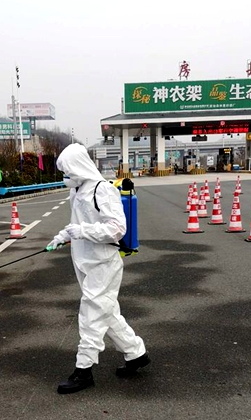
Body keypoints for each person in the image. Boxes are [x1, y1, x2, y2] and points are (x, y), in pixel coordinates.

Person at [47, 144, 149, 395]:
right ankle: (136, 353)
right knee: (106, 311)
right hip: (84, 261)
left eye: (67, 171)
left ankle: (84, 369)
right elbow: (78, 223)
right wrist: (63, 236)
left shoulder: (102, 189)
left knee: (91, 314)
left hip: (103, 263)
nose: (65, 177)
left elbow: (117, 229)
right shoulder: (77, 190)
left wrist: (82, 231)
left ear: (78, 167)